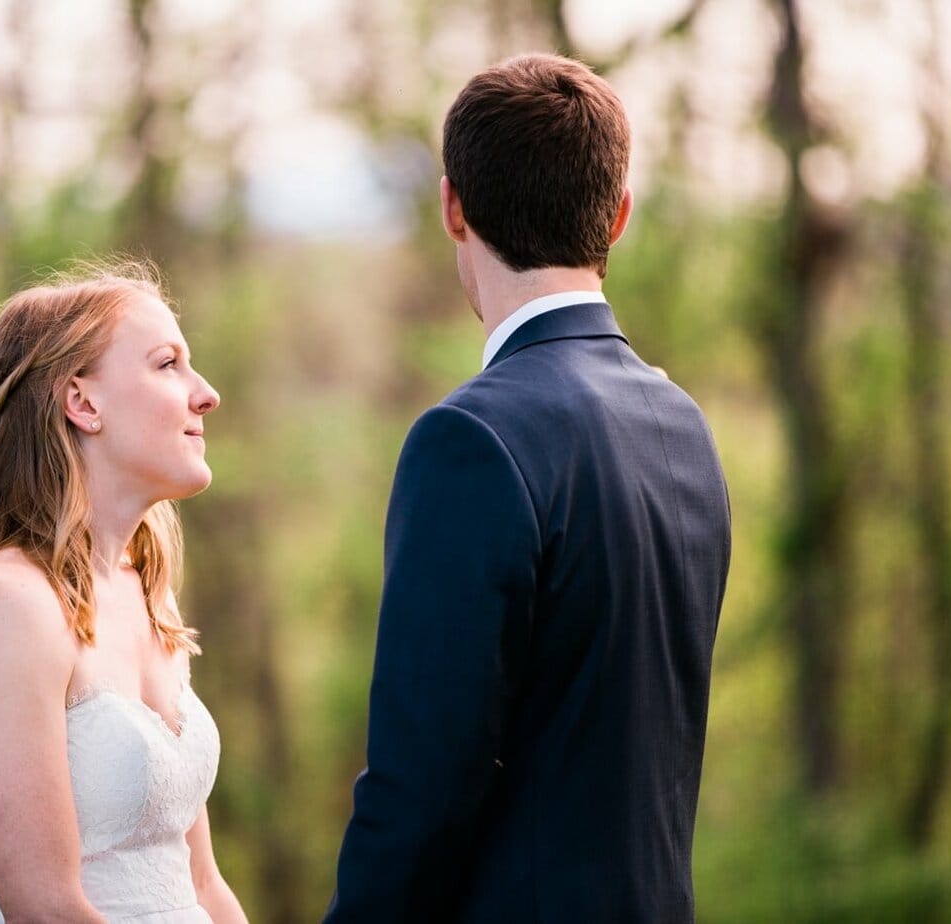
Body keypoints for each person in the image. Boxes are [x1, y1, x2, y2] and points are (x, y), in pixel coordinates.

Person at [325, 54, 732, 922]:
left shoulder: (468, 440)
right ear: (619, 217)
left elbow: (422, 784)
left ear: (452, 207)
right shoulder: (683, 425)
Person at [0, 264, 248, 924]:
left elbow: (203, 886)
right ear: (83, 403)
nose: (206, 395)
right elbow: (45, 909)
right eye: (167, 364)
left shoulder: (144, 595)